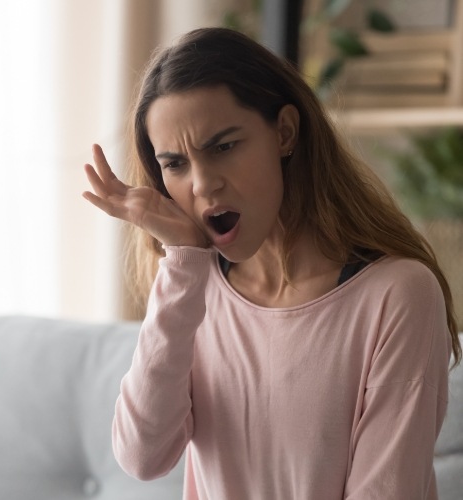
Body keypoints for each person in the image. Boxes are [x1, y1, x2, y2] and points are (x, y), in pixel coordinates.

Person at [83, 27, 461, 500]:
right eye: (175, 164)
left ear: (284, 132)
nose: (203, 185)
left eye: (223, 147)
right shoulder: (193, 290)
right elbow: (142, 456)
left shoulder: (397, 294)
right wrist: (182, 266)